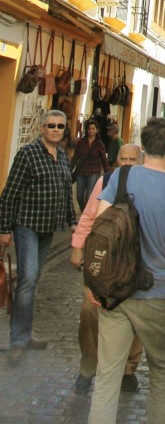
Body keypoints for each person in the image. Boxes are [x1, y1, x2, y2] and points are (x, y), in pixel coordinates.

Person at [87, 117, 165, 424]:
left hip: (115, 289)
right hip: (156, 291)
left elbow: (99, 230)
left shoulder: (121, 177)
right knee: (162, 371)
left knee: (107, 374)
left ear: (143, 146)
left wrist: (94, 281)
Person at [0, 108, 77, 364]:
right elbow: (10, 194)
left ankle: (25, 333)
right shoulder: (28, 153)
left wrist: (72, 222)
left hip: (48, 228)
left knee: (32, 281)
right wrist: (4, 229)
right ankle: (18, 341)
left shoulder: (63, 156)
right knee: (28, 279)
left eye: (60, 126)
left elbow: (66, 194)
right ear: (42, 128)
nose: (55, 130)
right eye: (51, 125)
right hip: (27, 226)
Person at [70, 143, 144, 395]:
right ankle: (88, 366)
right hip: (101, 258)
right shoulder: (106, 181)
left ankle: (128, 369)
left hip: (135, 260)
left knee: (135, 316)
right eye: (123, 158)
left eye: (132, 159)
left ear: (141, 161)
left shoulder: (150, 184)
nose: (127, 163)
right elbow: (89, 216)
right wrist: (78, 246)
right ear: (117, 160)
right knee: (89, 314)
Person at [73, 120, 109, 211]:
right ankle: (84, 212)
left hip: (93, 172)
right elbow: (76, 156)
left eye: (93, 129)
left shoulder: (99, 144)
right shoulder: (82, 142)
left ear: (97, 130)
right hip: (81, 171)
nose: (91, 131)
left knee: (89, 196)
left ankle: (86, 215)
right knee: (79, 196)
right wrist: (70, 168)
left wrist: (108, 174)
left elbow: (104, 160)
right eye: (89, 128)